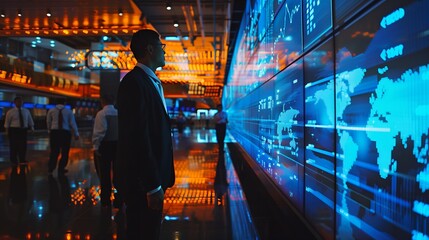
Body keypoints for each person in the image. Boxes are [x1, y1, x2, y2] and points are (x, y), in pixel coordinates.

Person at [116, 29, 175, 239]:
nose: (164, 51)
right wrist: (152, 186)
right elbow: (137, 137)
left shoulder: (150, 82)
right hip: (143, 183)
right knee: (142, 232)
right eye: (162, 46)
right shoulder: (134, 83)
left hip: (154, 177)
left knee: (150, 230)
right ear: (150, 49)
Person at [92, 94, 119, 207]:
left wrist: (96, 146)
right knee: (118, 172)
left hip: (105, 145)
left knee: (104, 172)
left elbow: (100, 132)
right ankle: (119, 198)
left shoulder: (101, 114)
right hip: (118, 145)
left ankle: (106, 199)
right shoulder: (119, 113)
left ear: (103, 101)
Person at [46, 99, 79, 175]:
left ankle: (51, 168)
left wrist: (49, 130)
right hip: (65, 133)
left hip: (54, 132)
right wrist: (76, 133)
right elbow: (72, 123)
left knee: (54, 151)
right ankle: (61, 168)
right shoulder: (68, 111)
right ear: (64, 103)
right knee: (65, 151)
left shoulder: (51, 110)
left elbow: (48, 121)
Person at [4, 96, 34, 165]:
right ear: (15, 103)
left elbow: (29, 119)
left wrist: (32, 127)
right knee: (14, 145)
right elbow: (7, 122)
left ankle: (22, 159)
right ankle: (13, 160)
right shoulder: (10, 112)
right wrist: (7, 131)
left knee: (23, 145)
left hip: (23, 130)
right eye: (18, 101)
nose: (19, 103)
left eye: (21, 101)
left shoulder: (26, 111)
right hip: (14, 130)